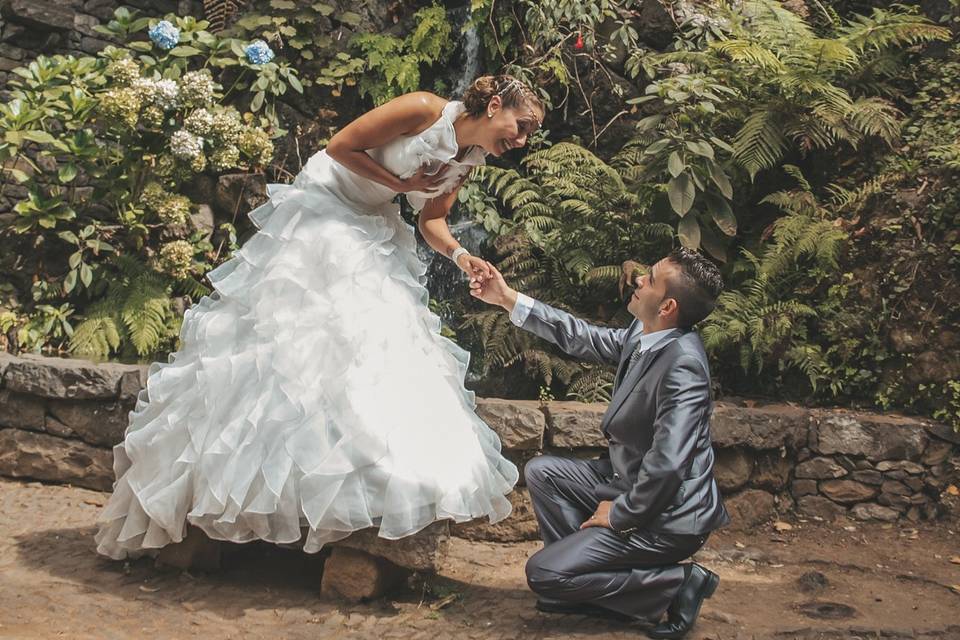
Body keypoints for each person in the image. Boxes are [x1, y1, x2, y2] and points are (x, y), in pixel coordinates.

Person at [95, 75, 545, 559]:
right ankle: (218, 495)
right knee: (295, 339)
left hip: (372, 220)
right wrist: (401, 184)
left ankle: (364, 481)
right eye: (520, 127)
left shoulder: (469, 160)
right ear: (495, 105)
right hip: (325, 206)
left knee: (372, 344)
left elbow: (431, 220)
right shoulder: (422, 108)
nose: (519, 141)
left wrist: (461, 258)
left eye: (527, 136)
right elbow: (340, 147)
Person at [469, 249, 730, 639]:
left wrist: (622, 513)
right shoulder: (647, 334)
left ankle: (677, 583)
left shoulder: (683, 367)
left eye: (651, 279)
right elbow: (580, 336)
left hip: (668, 518)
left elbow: (669, 464)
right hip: (627, 479)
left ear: (669, 305)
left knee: (542, 573)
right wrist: (507, 298)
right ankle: (588, 590)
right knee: (544, 472)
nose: (639, 279)